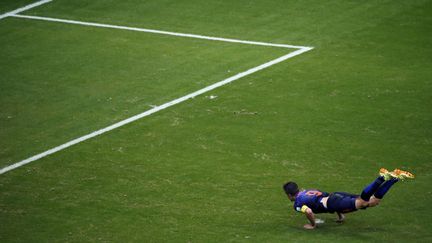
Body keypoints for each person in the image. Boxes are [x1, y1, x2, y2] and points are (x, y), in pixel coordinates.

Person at [283, 168, 415, 229]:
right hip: (336, 196)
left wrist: (313, 225)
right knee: (373, 201)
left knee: (363, 201)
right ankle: (396, 178)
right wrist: (340, 216)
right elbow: (325, 198)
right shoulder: (308, 191)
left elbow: (309, 211)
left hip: (334, 202)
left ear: (289, 195)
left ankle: (381, 177)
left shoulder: (298, 203)